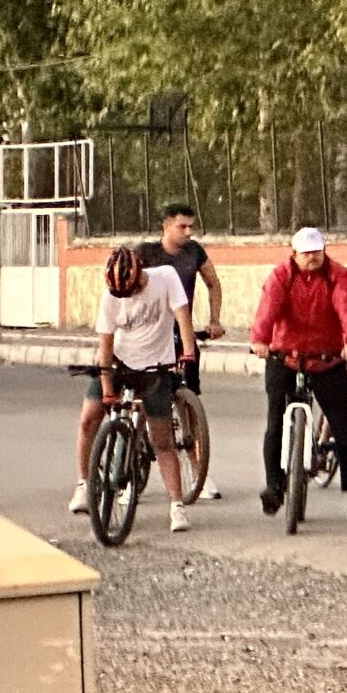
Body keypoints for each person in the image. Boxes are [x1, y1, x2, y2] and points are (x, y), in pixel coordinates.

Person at [72, 246, 197, 531]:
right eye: (121, 294)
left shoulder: (165, 277)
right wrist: (107, 390)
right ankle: (84, 483)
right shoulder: (111, 298)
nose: (126, 297)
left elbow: (182, 314)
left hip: (155, 369)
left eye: (130, 290)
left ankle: (176, 506)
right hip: (118, 363)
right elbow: (104, 347)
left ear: (140, 272)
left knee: (162, 440)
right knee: (88, 418)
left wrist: (187, 352)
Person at [251, 227, 347, 522]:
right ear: (294, 254)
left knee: (343, 422)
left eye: (316, 251)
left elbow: (346, 308)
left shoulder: (337, 274)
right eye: (305, 253)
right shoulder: (281, 276)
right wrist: (260, 340)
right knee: (274, 418)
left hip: (326, 357)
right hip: (285, 355)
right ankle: (274, 486)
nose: (312, 257)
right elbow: (268, 309)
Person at [140, 204, 225, 492]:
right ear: (166, 225)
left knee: (190, 402)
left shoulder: (195, 253)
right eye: (182, 226)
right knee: (143, 399)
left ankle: (199, 471)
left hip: (182, 333)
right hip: (150, 334)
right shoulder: (147, 254)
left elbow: (213, 283)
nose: (189, 232)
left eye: (191, 226)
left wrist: (214, 321)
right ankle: (128, 465)